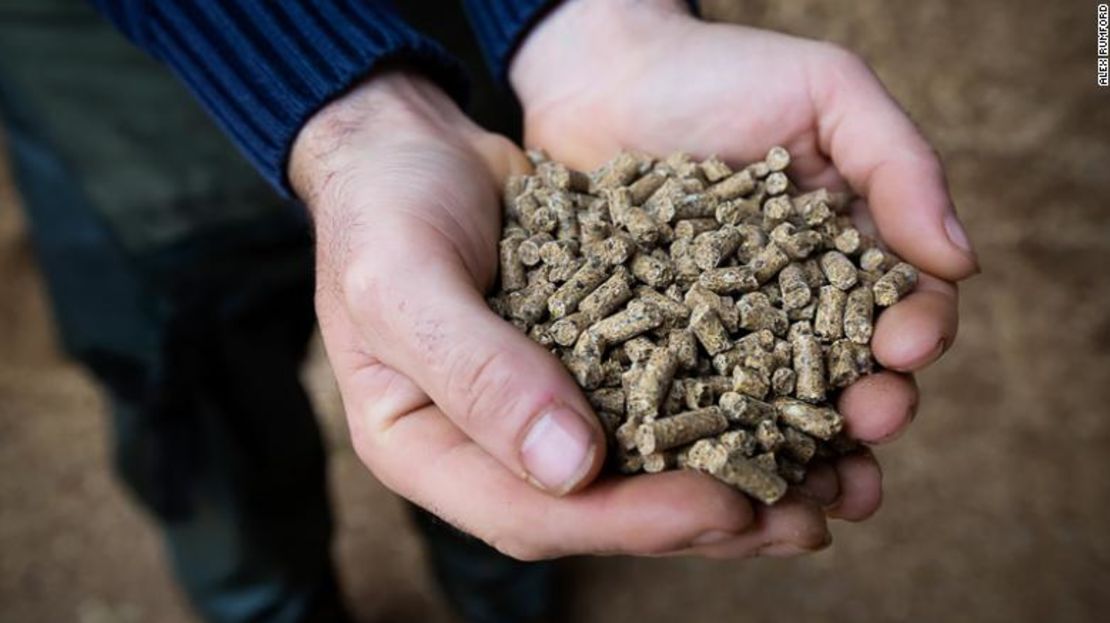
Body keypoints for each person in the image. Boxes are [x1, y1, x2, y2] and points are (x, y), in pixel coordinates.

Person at [3, 0, 978, 621]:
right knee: (200, 410)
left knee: (500, 422)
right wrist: (331, 104)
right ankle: (264, 602)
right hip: (124, 86)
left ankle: (504, 593)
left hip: (476, 54)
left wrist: (586, 19)